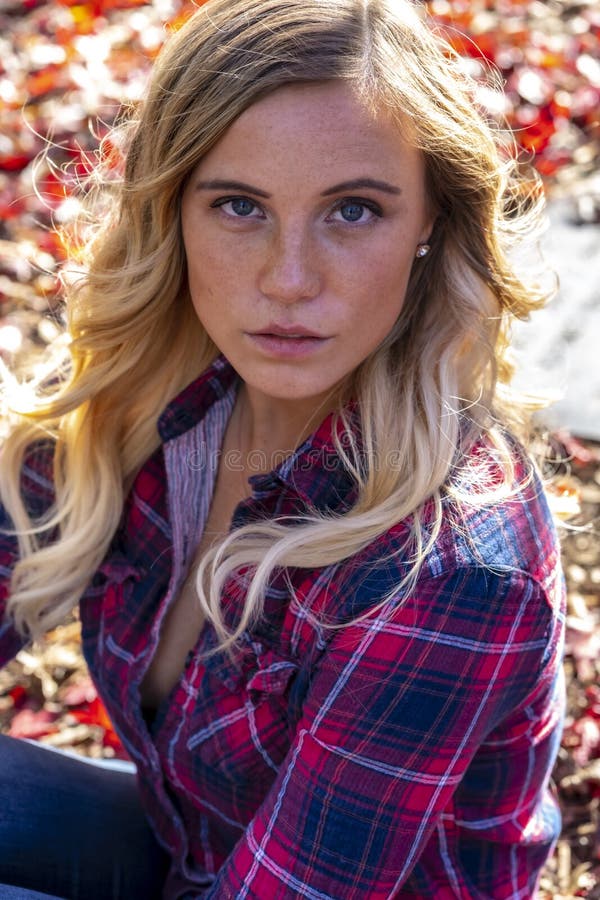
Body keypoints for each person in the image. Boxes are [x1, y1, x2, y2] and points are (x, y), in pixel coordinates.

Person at [0, 0, 566, 897]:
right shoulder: (170, 395)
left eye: (352, 210)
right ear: (172, 212)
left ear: (429, 221)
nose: (288, 279)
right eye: (238, 206)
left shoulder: (451, 573)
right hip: (183, 841)